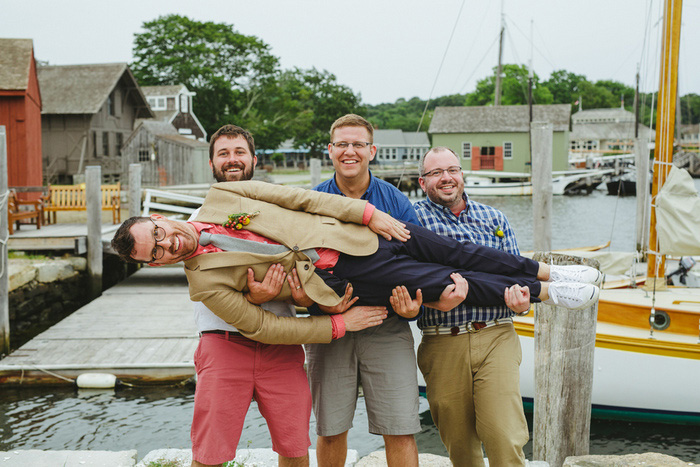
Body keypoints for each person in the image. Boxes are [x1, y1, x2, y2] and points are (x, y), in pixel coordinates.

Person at [112, 181, 602, 337]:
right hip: (340, 276)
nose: (166, 243)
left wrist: (369, 212)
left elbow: (303, 199)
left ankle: (548, 269)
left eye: (157, 233)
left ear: (157, 218)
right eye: (155, 251)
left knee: (458, 248)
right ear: (154, 263)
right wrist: (337, 325)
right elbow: (266, 328)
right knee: (441, 282)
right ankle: (549, 294)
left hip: (360, 232)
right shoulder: (204, 284)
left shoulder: (221, 195)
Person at [183, 124, 387, 467]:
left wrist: (303, 299)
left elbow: (304, 278)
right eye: (223, 154)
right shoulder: (196, 224)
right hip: (224, 343)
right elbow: (215, 290)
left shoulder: (277, 206)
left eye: (239, 153)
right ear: (211, 163)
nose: (232, 160)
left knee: (294, 448)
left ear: (253, 159)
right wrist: (252, 297)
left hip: (282, 347)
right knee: (210, 453)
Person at [405, 147, 600, 466]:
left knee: (503, 435)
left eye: (452, 170)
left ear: (462, 175)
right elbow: (413, 280)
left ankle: (549, 287)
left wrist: (522, 304)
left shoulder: (494, 218)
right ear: (422, 181)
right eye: (436, 173)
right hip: (442, 341)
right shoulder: (410, 221)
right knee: (460, 445)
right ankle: (549, 287)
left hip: (496, 336)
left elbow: (513, 276)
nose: (446, 178)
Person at [306, 114, 424, 467]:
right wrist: (326, 305)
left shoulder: (397, 202)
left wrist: (413, 309)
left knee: (400, 427)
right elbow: (300, 266)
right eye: (342, 144)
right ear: (330, 150)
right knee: (330, 429)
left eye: (358, 144)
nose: (350, 151)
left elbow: (418, 262)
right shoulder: (311, 201)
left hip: (385, 325)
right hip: (330, 328)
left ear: (372, 150)